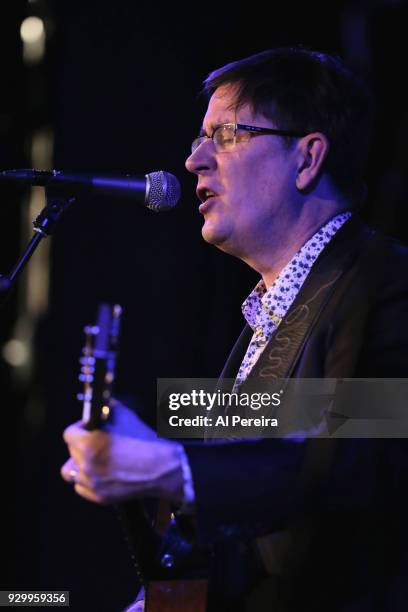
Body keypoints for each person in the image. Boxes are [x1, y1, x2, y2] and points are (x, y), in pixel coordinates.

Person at [61, 47, 408, 611]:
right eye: (199, 140)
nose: (195, 160)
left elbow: (358, 459)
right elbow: (245, 526)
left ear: (307, 158)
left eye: (225, 135)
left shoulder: (384, 282)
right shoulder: (262, 320)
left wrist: (174, 468)